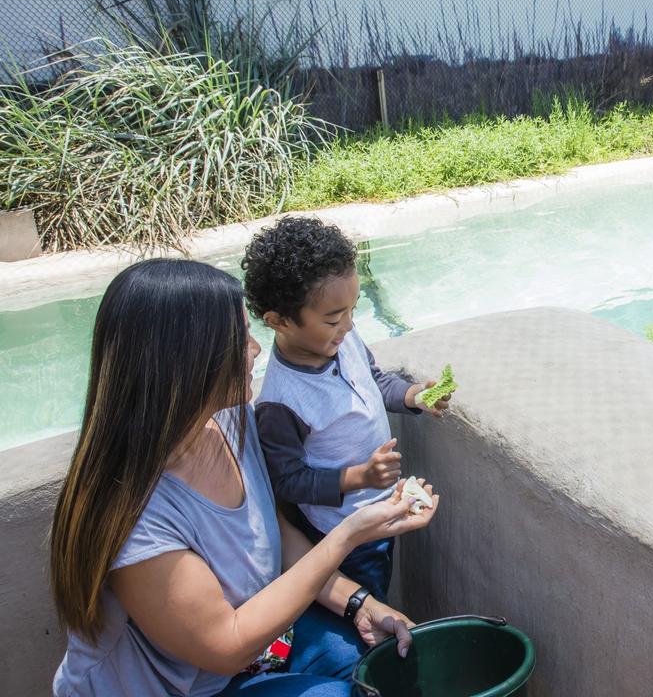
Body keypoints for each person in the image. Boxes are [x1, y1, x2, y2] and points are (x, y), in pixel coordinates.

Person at [49, 259, 438, 697]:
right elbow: (226, 646)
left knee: (380, 665)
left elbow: (273, 533)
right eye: (241, 338)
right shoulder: (134, 515)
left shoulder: (233, 422)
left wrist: (361, 604)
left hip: (256, 653)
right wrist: (348, 535)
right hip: (201, 683)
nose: (256, 349)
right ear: (189, 360)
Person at [242, 217, 452, 603]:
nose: (349, 326)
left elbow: (372, 380)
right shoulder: (280, 402)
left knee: (382, 584)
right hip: (343, 531)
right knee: (368, 602)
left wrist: (412, 396)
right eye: (334, 319)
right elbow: (287, 481)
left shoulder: (344, 339)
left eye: (352, 311)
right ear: (279, 321)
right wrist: (359, 477)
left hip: (382, 507)